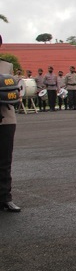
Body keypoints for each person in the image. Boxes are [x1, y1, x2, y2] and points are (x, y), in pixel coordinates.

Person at [0, 35, 21, 213]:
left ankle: (5, 198)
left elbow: (13, 90)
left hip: (6, 118)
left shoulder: (7, 66)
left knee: (5, 161)